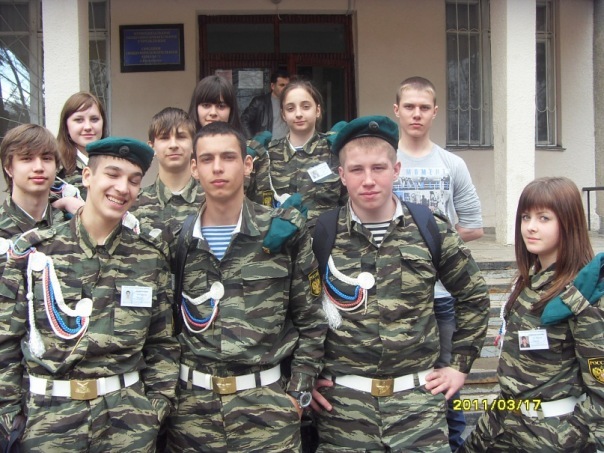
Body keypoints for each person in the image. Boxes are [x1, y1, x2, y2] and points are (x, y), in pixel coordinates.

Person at [310, 115, 490, 452]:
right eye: (357, 170)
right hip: (344, 413)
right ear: (342, 175)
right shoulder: (320, 234)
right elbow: (297, 310)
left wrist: (459, 366)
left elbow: (474, 296)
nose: (368, 180)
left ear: (396, 170)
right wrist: (304, 378)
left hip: (418, 409)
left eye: (378, 168)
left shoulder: (430, 228)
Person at [0, 137, 180, 452]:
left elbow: (162, 343)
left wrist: (155, 409)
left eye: (133, 180)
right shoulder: (35, 252)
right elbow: (5, 342)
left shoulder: (150, 257)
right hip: (48, 424)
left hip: (128, 425)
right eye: (112, 175)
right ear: (87, 177)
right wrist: (12, 418)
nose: (122, 188)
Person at [164, 121, 327, 452]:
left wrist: (297, 394)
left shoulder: (282, 233)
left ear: (248, 164)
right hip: (192, 416)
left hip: (268, 413)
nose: (218, 167)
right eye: (207, 159)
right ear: (194, 168)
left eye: (228, 157)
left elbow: (312, 321)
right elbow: (160, 330)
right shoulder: (175, 238)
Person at [461, 176, 604, 452]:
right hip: (501, 424)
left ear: (569, 223)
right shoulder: (529, 282)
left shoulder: (583, 294)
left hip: (549, 435)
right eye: (526, 217)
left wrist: (564, 437)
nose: (530, 227)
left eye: (544, 218)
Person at [393, 76, 484, 449]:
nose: (416, 114)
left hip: (442, 295)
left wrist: (432, 247)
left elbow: (473, 226)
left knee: (446, 381)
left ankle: (453, 443)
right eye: (409, 107)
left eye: (423, 107)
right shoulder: (383, 162)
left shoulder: (452, 164)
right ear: (396, 111)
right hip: (394, 295)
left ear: (435, 112)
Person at [246, 79, 346, 229]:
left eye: (306, 107)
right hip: (279, 241)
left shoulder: (334, 153)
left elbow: (349, 203)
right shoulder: (267, 156)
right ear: (283, 114)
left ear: (317, 110)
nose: (298, 114)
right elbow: (252, 206)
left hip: (325, 239)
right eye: (290, 108)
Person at [130, 107, 204, 247]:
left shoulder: (210, 201)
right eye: (164, 138)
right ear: (152, 147)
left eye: (181, 137)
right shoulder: (134, 203)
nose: (173, 145)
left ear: (194, 144)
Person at [54, 91, 108, 201]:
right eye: (79, 120)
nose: (88, 127)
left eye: (94, 119)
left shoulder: (115, 161)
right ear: (66, 126)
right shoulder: (54, 164)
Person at [241, 69, 290, 139]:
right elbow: (244, 120)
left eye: (287, 85)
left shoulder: (292, 101)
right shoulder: (260, 102)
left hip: (287, 143)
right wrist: (252, 140)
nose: (285, 88)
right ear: (272, 86)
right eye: (282, 85)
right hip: (267, 144)